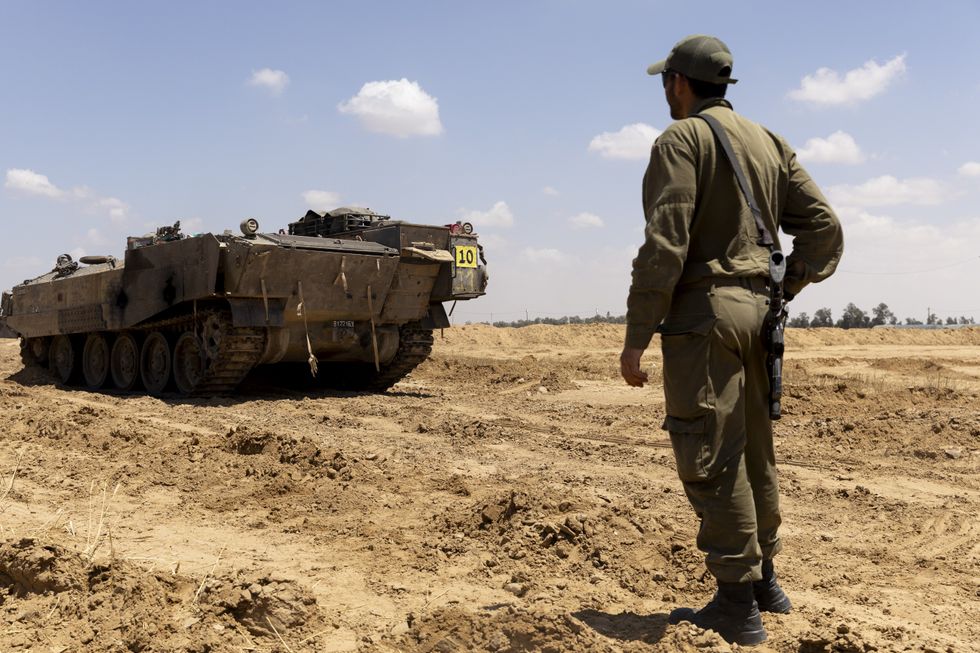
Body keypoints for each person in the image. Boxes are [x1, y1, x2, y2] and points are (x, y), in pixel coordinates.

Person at [619, 35, 844, 645]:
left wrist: (637, 336)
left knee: (711, 453)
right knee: (754, 451)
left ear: (680, 84)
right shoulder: (771, 143)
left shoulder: (680, 140)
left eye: (666, 82)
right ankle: (767, 581)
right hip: (761, 316)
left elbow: (665, 242)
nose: (666, 91)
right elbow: (824, 230)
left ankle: (735, 604)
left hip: (705, 318)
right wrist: (784, 287)